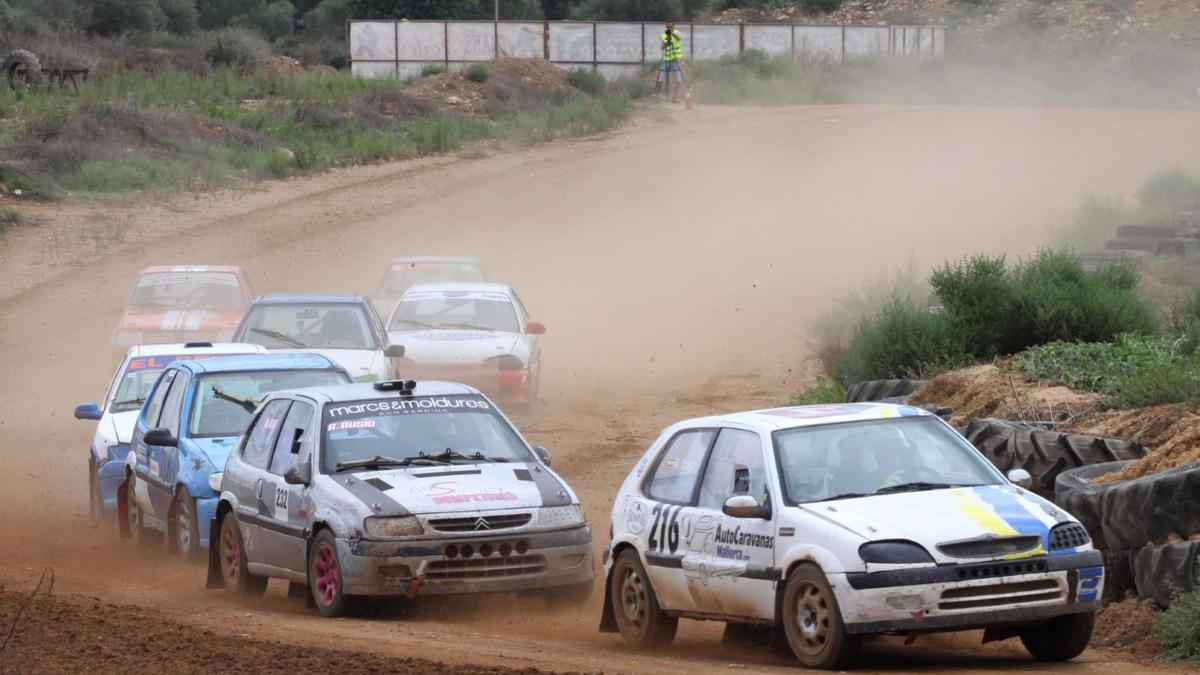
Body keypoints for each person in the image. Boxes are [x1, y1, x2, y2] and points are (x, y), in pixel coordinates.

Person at [655, 21, 684, 100]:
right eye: (667, 27)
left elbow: (679, 39)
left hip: (675, 61)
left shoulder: (677, 33)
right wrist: (668, 40)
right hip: (666, 60)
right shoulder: (664, 35)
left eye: (670, 27)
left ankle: (674, 98)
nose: (669, 28)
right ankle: (656, 97)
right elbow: (662, 47)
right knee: (660, 79)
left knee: (679, 80)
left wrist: (672, 34)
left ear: (673, 27)